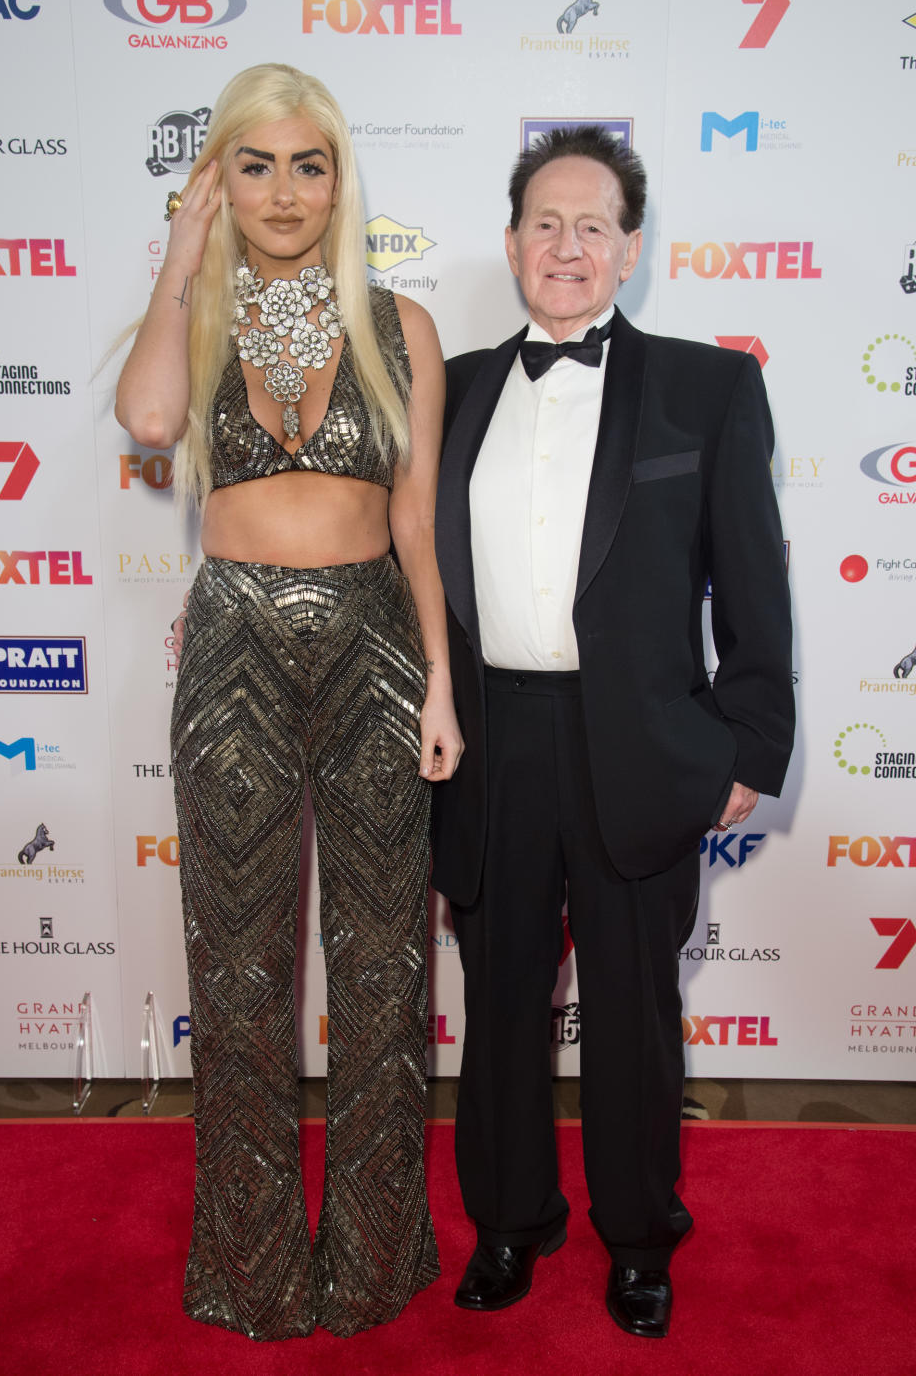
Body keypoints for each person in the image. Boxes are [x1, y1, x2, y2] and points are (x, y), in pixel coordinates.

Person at [115, 63, 462, 1341]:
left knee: (381, 967)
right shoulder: (197, 320)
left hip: (376, 643)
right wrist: (180, 251)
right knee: (242, 966)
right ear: (219, 176)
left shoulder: (399, 323)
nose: (283, 189)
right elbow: (148, 417)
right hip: (234, 647)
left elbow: (416, 521)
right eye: (251, 164)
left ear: (338, 176)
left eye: (306, 163)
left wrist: (439, 684)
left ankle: (372, 1260)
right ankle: (253, 1268)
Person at [431, 127, 794, 1339]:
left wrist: (750, 741)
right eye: (546, 221)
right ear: (511, 242)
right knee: (502, 999)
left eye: (594, 225)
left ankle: (640, 1236)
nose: (568, 245)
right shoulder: (462, 386)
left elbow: (754, 582)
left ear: (631, 250)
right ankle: (510, 1219)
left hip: (639, 738)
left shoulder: (710, 386)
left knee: (635, 1006)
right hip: (495, 733)